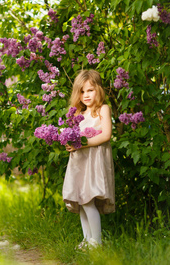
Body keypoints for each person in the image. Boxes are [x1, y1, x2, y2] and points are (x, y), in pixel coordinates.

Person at [62, 69, 115, 249]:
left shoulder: (103, 109)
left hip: (94, 164)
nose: (86, 95)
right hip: (80, 163)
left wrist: (82, 144)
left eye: (90, 90)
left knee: (87, 200)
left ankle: (96, 242)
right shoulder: (78, 115)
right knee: (81, 201)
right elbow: (75, 138)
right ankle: (87, 240)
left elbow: (106, 135)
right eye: (82, 91)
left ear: (98, 89)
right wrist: (69, 143)